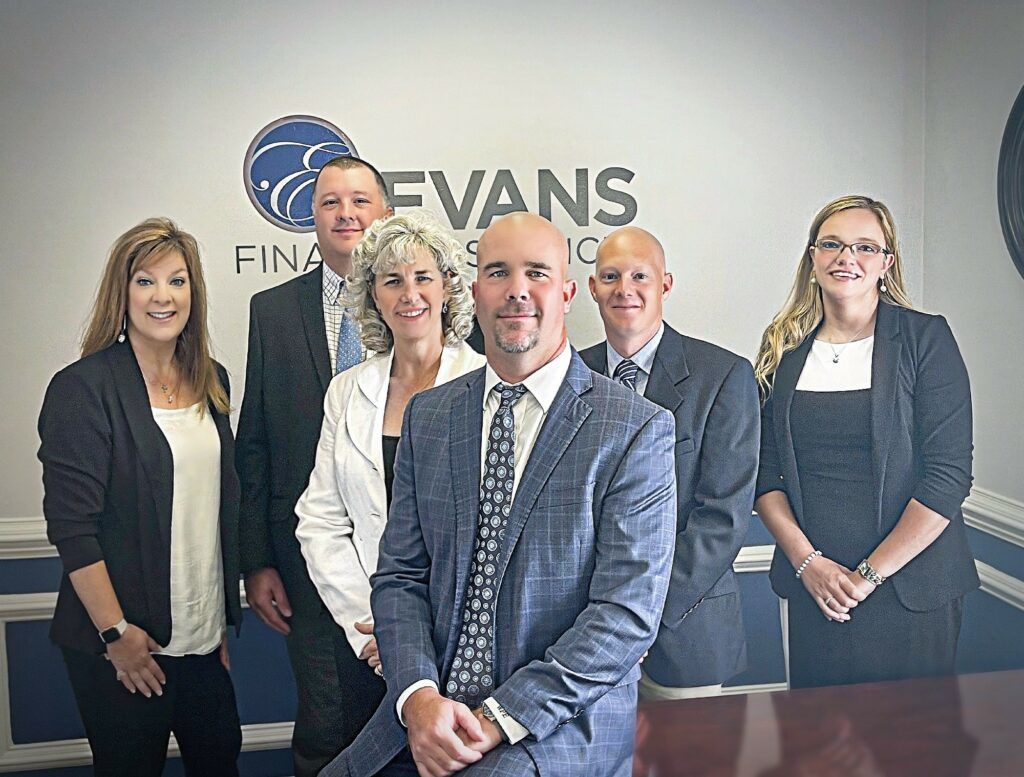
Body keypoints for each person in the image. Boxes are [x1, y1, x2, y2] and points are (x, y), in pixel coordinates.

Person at [325, 212, 677, 777]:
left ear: (566, 292)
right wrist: (417, 696)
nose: (516, 290)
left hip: (554, 725)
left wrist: (496, 717)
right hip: (428, 711)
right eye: (497, 272)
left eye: (536, 272)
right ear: (473, 291)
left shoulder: (635, 428)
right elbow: (400, 577)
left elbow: (625, 616)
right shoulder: (432, 416)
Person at [37, 218, 243, 776]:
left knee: (220, 763)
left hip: (200, 644)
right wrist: (116, 636)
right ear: (121, 293)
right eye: (146, 281)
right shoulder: (83, 389)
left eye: (177, 281)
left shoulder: (212, 379)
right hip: (124, 646)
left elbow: (216, 510)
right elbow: (72, 529)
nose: (163, 297)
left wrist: (213, 628)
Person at [753, 195, 978, 689]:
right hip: (818, 589)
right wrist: (809, 564)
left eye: (864, 247)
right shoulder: (783, 349)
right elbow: (764, 474)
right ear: (812, 259)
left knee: (910, 753)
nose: (845, 257)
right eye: (831, 244)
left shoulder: (925, 339)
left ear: (885, 263)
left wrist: (865, 578)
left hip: (910, 590)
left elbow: (947, 476)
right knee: (821, 753)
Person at [294, 210, 484, 736]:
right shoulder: (347, 391)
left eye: (424, 277)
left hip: (466, 641)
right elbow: (319, 520)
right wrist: (375, 628)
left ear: (448, 287)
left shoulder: (487, 385)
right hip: (370, 641)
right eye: (392, 280)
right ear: (372, 295)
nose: (410, 294)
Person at [235, 156, 394, 775]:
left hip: (411, 562)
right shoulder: (272, 311)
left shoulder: (419, 302)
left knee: (419, 720)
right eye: (331, 202)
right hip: (306, 563)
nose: (346, 214)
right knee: (327, 725)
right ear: (313, 217)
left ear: (382, 212)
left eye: (359, 200)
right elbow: (257, 445)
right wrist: (257, 560)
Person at [580, 226, 759, 700]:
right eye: (611, 276)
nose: (625, 289)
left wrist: (636, 616)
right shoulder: (566, 377)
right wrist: (600, 621)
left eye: (640, 275)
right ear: (593, 288)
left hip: (684, 628)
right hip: (577, 637)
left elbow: (721, 518)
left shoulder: (723, 376)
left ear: (665, 284)